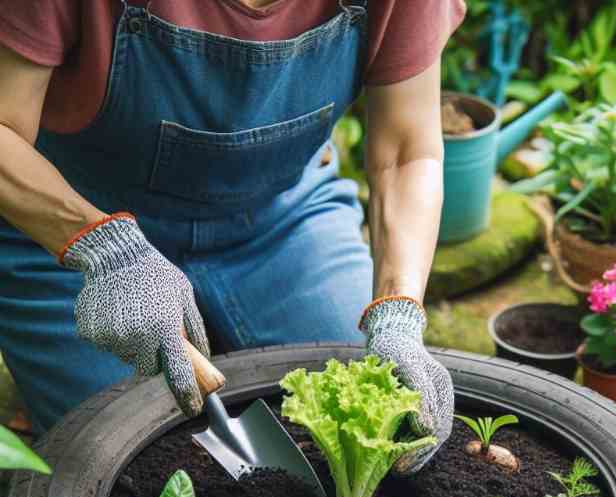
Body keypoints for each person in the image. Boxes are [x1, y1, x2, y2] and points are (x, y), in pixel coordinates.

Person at [0, 0, 464, 471]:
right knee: (120, 462)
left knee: (379, 411)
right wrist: (104, 249)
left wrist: (397, 311)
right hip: (68, 228)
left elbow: (408, 152)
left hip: (279, 221)